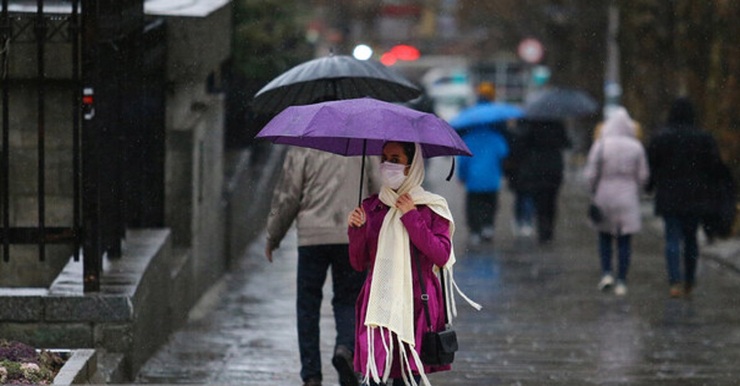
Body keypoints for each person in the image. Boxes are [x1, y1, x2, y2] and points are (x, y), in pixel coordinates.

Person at [347, 141, 477, 386]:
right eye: (384, 158)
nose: (387, 165)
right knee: (376, 373)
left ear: (412, 165)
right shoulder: (372, 207)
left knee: (408, 377)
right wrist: (356, 230)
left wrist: (411, 216)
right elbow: (358, 262)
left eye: (395, 159)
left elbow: (440, 254)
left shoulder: (431, 208)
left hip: (417, 305)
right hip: (380, 304)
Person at [265, 146, 380, 386]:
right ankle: (345, 349)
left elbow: (289, 195)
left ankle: (311, 374)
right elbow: (378, 189)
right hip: (352, 234)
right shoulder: (363, 144)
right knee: (349, 300)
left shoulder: (303, 146)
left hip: (312, 237)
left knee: (308, 305)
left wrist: (274, 236)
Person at [647, 97, 725, 298]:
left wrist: (650, 187)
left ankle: (674, 281)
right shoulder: (703, 139)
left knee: (672, 238)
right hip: (695, 197)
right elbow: (714, 168)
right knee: (691, 239)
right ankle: (689, 279)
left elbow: (652, 167)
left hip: (669, 196)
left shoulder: (661, 138)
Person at [584, 107, 649, 296]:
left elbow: (590, 173)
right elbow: (643, 175)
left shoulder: (601, 145)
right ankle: (622, 279)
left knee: (604, 236)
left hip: (604, 195)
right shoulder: (636, 147)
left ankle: (606, 273)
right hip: (627, 197)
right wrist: (637, 190)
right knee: (624, 240)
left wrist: (592, 190)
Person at [456, 82, 510, 245]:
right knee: (490, 204)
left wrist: (462, 176)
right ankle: (488, 226)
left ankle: (475, 230)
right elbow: (504, 153)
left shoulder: (468, 139)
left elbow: (462, 160)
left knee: (473, 205)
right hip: (492, 179)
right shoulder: (496, 137)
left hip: (474, 180)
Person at [512, 119, 571, 244]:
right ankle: (549, 230)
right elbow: (567, 143)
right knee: (551, 201)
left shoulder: (533, 126)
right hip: (555, 169)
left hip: (538, 170)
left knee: (541, 202)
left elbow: (522, 144)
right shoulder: (558, 125)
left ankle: (543, 231)